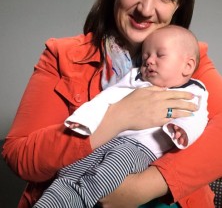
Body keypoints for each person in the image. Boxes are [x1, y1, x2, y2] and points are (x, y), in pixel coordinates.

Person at [2, 0, 222, 208]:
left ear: (178, 5)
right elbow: (20, 156)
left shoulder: (191, 65)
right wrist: (118, 117)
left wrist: (145, 186)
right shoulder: (62, 56)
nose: (145, 8)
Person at [33, 25, 209, 208]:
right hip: (110, 138)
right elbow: (108, 98)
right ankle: (50, 201)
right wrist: (85, 119)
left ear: (187, 66)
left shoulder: (195, 91)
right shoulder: (136, 79)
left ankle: (80, 200)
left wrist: (184, 130)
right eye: (146, 56)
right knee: (72, 168)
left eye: (160, 55)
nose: (149, 61)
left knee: (110, 170)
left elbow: (199, 117)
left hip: (141, 149)